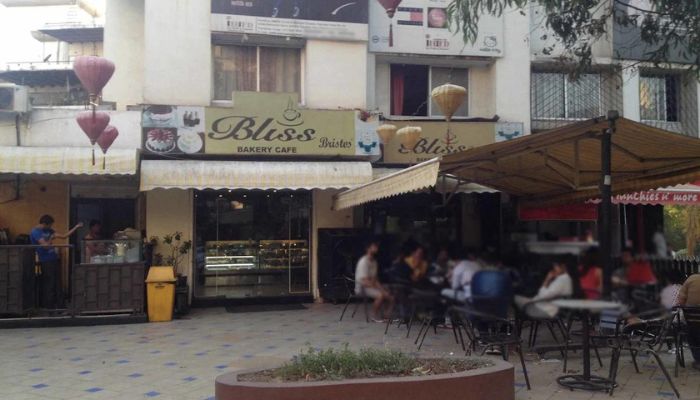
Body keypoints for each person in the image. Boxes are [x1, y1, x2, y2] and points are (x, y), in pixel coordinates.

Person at [30, 215, 82, 309]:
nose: (51, 227)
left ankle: (61, 306)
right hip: (45, 260)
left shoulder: (49, 231)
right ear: (45, 224)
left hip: (54, 258)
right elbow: (45, 246)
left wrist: (76, 227)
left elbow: (64, 236)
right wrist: (51, 238)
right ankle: (49, 307)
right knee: (49, 284)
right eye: (50, 225)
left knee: (58, 283)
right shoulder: (36, 232)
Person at [354, 240, 393, 321]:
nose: (376, 248)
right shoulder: (363, 262)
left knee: (390, 294)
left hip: (372, 285)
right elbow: (364, 281)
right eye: (374, 246)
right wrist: (380, 290)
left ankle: (386, 315)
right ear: (368, 248)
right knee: (380, 295)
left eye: (376, 247)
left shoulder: (374, 262)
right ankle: (373, 316)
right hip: (362, 287)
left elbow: (375, 279)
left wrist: (382, 289)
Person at [678, 272, 700, 369]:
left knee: (691, 334)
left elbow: (681, 301)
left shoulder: (692, 279)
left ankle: (698, 361)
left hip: (692, 322)